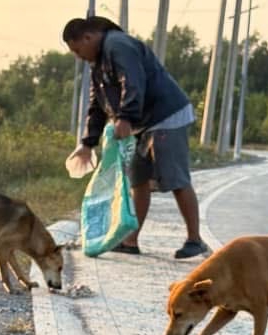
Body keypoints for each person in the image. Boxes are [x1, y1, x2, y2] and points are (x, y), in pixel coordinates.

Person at [63, 16, 209, 260]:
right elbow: (97, 105)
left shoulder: (118, 45)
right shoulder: (97, 63)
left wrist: (125, 116)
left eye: (78, 50)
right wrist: (88, 143)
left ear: (88, 37)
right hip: (142, 124)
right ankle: (130, 241)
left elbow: (132, 81)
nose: (79, 56)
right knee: (138, 180)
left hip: (166, 116)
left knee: (175, 177)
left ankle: (195, 240)